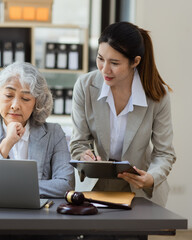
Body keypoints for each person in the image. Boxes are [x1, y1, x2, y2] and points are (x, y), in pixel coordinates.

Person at [70, 22, 176, 206]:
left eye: (114, 63)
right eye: (101, 58)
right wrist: (84, 155)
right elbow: (79, 142)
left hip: (139, 190)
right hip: (96, 188)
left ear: (135, 61)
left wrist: (151, 177)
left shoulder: (157, 95)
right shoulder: (85, 87)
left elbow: (164, 153)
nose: (104, 69)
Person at [0, 62, 74, 198]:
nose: (15, 105)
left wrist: (9, 187)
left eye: (25, 98)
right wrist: (8, 142)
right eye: (9, 95)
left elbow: (65, 185)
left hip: (39, 216)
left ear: (37, 103)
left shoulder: (54, 133)